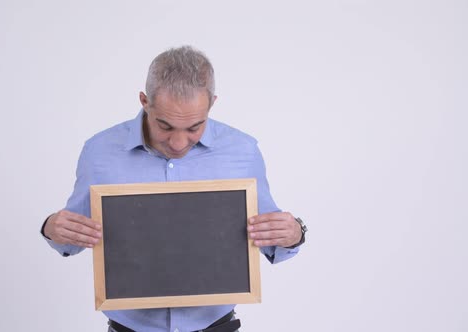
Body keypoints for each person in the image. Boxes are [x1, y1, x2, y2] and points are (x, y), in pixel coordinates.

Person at [41, 46, 307, 332]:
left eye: (194, 127)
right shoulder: (100, 151)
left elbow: (272, 243)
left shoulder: (242, 151)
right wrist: (52, 228)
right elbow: (70, 239)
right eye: (165, 126)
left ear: (212, 104)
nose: (179, 143)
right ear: (145, 101)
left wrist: (293, 233)